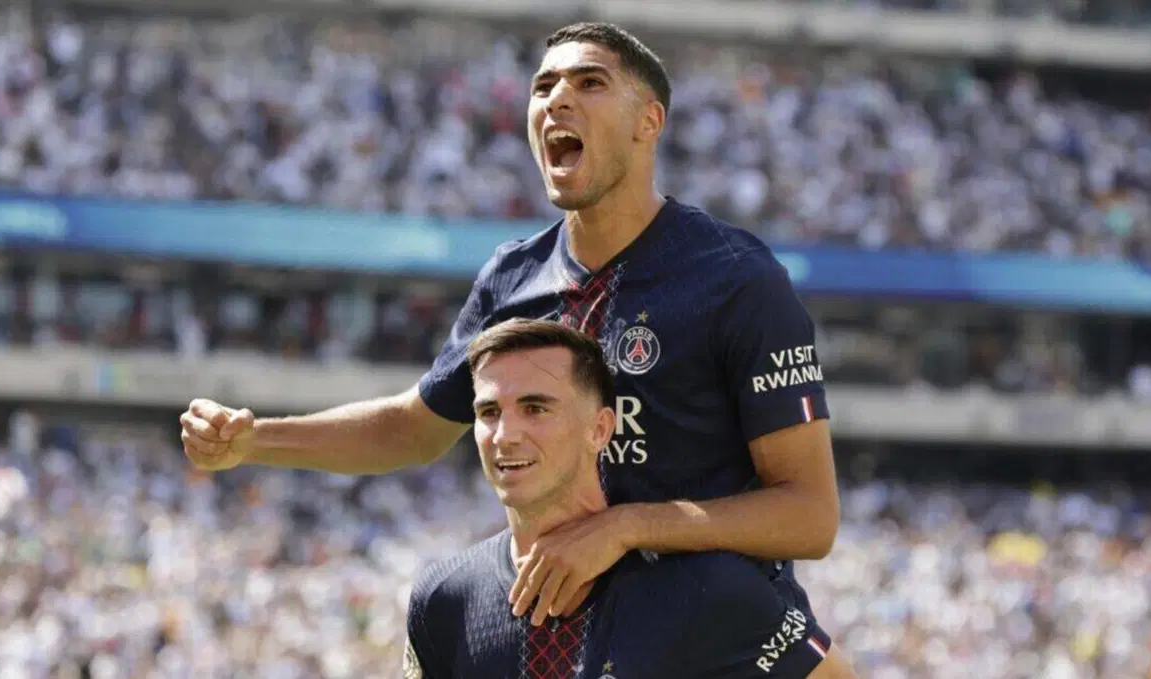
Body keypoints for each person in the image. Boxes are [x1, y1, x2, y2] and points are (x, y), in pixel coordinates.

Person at [181, 20, 840, 642]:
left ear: (649, 121)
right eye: (542, 86)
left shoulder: (736, 278)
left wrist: (626, 526)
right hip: (564, 641)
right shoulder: (513, 278)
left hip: (720, 642)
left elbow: (810, 515)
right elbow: (412, 429)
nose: (557, 99)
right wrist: (254, 440)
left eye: (589, 82)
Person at [403, 318, 856, 678]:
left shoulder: (707, 590)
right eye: (488, 412)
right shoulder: (443, 599)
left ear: (600, 429)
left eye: (535, 408)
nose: (505, 435)